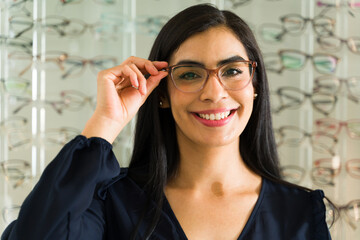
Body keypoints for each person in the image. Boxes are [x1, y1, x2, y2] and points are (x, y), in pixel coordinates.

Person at [1, 4, 332, 240]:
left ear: (256, 85)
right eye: (189, 74)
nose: (214, 93)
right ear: (161, 93)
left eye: (232, 71)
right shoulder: (111, 202)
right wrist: (106, 121)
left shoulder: (301, 212)